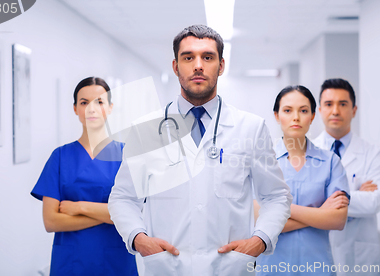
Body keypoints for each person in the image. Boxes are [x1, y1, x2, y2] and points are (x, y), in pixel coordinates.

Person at [108, 25, 292, 276]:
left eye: (207, 57)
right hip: (167, 267)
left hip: (230, 268)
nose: (198, 65)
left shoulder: (250, 128)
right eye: (188, 57)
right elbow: (123, 198)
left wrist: (259, 241)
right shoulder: (146, 130)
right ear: (175, 66)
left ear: (221, 65)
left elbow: (276, 197)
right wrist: (139, 239)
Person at [31, 77, 138, 276]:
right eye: (84, 102)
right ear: (75, 109)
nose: (91, 108)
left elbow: (134, 215)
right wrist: (111, 215)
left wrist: (79, 207)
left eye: (99, 101)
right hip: (71, 263)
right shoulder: (60, 157)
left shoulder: (126, 156)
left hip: (115, 261)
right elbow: (51, 221)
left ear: (110, 107)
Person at [255, 85, 350, 275]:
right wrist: (320, 214)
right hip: (273, 269)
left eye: (304, 110)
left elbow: (338, 220)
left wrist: (276, 208)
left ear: (313, 116)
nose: (296, 117)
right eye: (288, 110)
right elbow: (259, 219)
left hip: (317, 267)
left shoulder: (330, 162)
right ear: (276, 115)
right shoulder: (262, 161)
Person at [313, 78, 380, 275]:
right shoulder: (306, 153)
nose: (335, 111)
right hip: (316, 249)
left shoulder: (373, 153)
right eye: (329, 104)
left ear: (354, 110)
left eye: (343, 104)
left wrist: (324, 199)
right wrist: (353, 195)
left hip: (358, 255)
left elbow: (374, 202)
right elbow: (299, 201)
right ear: (319, 109)